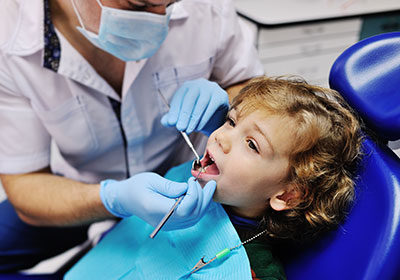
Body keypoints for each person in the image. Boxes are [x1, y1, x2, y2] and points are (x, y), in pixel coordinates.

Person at [0, 0, 264, 272]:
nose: (160, 18)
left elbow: (252, 89)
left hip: (186, 180)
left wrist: (230, 111)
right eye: (139, 5)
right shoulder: (8, 36)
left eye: (170, 3)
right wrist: (113, 198)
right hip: (84, 189)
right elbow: (25, 182)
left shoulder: (206, 7)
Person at [65, 76, 364, 279]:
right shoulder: (186, 178)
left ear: (286, 195)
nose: (220, 137)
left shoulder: (253, 270)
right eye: (232, 121)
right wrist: (116, 197)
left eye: (252, 144)